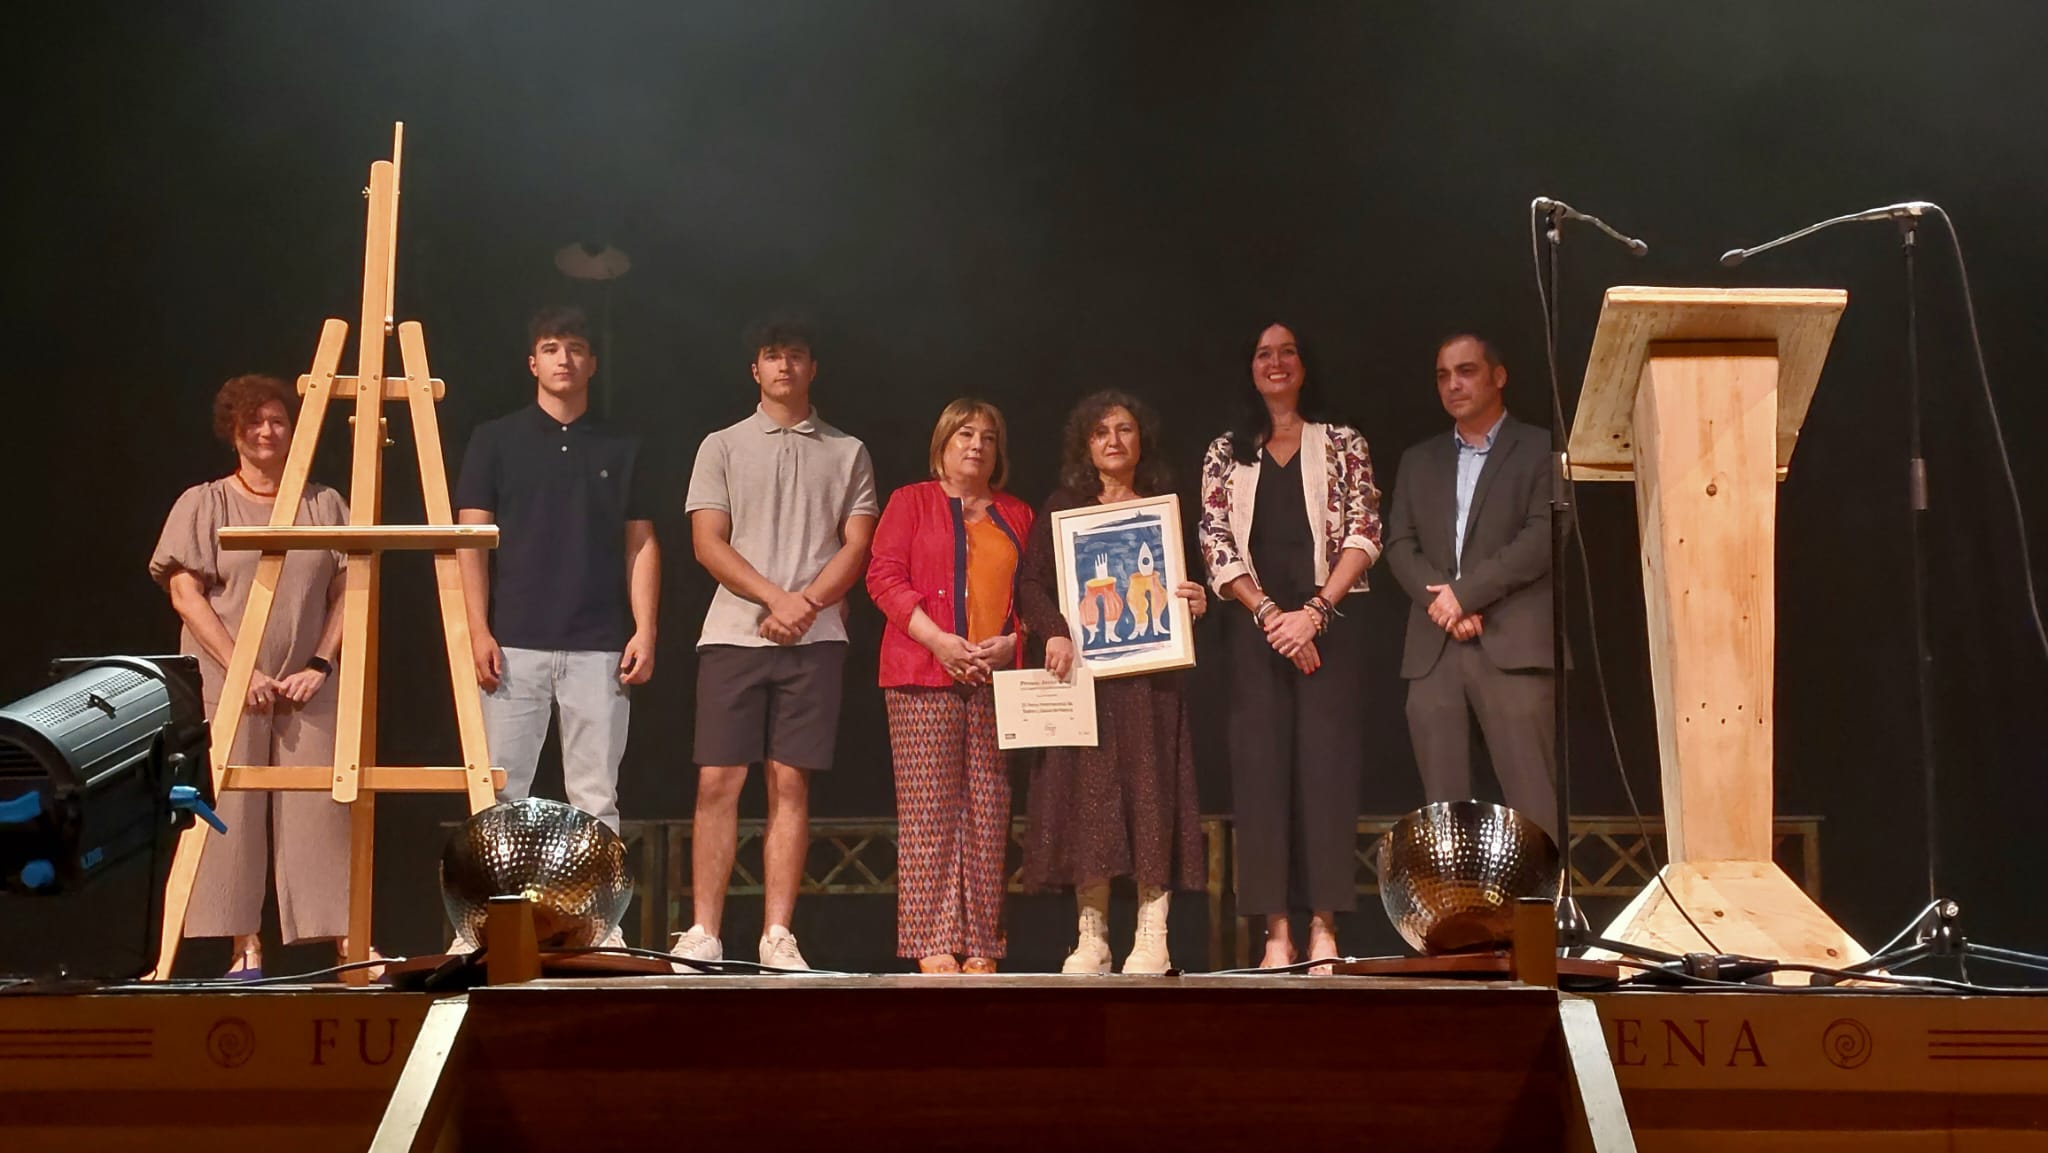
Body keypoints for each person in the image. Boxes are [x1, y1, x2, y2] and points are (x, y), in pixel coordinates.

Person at [676, 319, 878, 970]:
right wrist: (775, 598)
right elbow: (708, 541)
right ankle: (705, 929)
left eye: (796, 355)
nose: (784, 365)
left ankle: (776, 934)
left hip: (814, 638)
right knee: (718, 780)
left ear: (813, 368)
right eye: (772, 355)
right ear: (754, 370)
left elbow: (858, 542)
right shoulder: (722, 444)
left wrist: (807, 603)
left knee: (790, 783)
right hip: (735, 634)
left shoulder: (848, 450)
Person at [150, 374, 355, 977]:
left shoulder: (325, 504)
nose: (267, 432)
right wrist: (242, 669)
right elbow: (186, 595)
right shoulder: (204, 502)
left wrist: (320, 662)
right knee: (228, 805)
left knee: (323, 804)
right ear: (233, 431)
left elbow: (351, 588)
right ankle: (244, 943)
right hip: (227, 678)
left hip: (306, 682)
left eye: (278, 421)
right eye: (254, 422)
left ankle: (345, 939)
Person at [1198, 322, 1381, 970]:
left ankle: (1325, 925)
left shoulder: (1342, 442)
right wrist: (1274, 615)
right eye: (1262, 353)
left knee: (1326, 772)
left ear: (1305, 364)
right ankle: (1276, 929)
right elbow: (1215, 541)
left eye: (1287, 352)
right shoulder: (1227, 451)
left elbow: (1365, 529)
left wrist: (1315, 613)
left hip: (1329, 624)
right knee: (1261, 775)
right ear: (1250, 368)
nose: (1275, 363)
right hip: (1254, 632)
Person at [1018, 390, 1207, 975]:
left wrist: (1195, 601)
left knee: (1153, 795)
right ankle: (1092, 933)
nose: (1114, 441)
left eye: (1124, 429)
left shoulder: (1164, 510)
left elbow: (1187, 586)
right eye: (1101, 432)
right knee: (1089, 799)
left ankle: (1153, 930)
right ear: (1087, 445)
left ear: (1140, 439)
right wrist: (1052, 631)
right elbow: (1031, 586)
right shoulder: (1062, 508)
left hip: (1151, 682)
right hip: (1089, 680)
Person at [455, 305, 659, 839]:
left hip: (600, 643)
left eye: (574, 348)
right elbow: (469, 543)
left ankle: (599, 923)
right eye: (550, 348)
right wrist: (477, 630)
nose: (563, 359)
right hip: (513, 642)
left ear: (593, 362)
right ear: (532, 363)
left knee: (596, 794)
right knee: (499, 790)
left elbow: (640, 542)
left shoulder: (623, 445)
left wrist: (645, 628)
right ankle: (487, 923)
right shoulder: (494, 440)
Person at [866, 399, 1033, 974]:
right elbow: (883, 578)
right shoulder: (909, 502)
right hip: (922, 673)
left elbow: (1037, 596)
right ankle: (932, 941)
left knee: (990, 811)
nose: (977, 445)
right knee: (928, 812)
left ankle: (983, 942)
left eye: (989, 437)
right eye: (965, 434)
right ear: (942, 442)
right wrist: (939, 641)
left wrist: (1015, 642)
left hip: (994, 678)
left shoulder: (1017, 514)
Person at [1383, 334, 1556, 840]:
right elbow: (1399, 544)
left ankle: (1534, 923)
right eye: (1443, 375)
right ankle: (1460, 920)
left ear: (1497, 377)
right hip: (1436, 650)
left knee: (1533, 805)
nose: (1453, 384)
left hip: (1513, 643)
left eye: (1466, 371)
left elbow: (1545, 536)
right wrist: (1446, 603)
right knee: (1445, 814)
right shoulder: (1420, 459)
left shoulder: (1540, 448)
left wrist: (1468, 595)